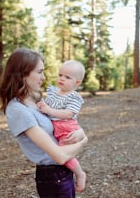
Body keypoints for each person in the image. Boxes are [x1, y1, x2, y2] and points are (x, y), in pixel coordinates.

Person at [0, 48, 88, 198]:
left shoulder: (33, 100)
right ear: (23, 73)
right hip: (53, 176)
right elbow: (59, 156)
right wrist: (84, 141)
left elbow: (61, 121)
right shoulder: (17, 109)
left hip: (63, 172)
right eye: (39, 72)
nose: (43, 77)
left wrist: (80, 132)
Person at [37, 60, 86, 192]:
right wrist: (42, 105)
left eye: (67, 77)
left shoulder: (73, 97)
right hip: (57, 126)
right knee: (60, 153)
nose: (62, 79)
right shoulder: (54, 92)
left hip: (66, 127)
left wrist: (49, 111)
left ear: (77, 83)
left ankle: (80, 173)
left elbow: (69, 114)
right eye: (60, 75)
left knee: (63, 154)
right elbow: (46, 104)